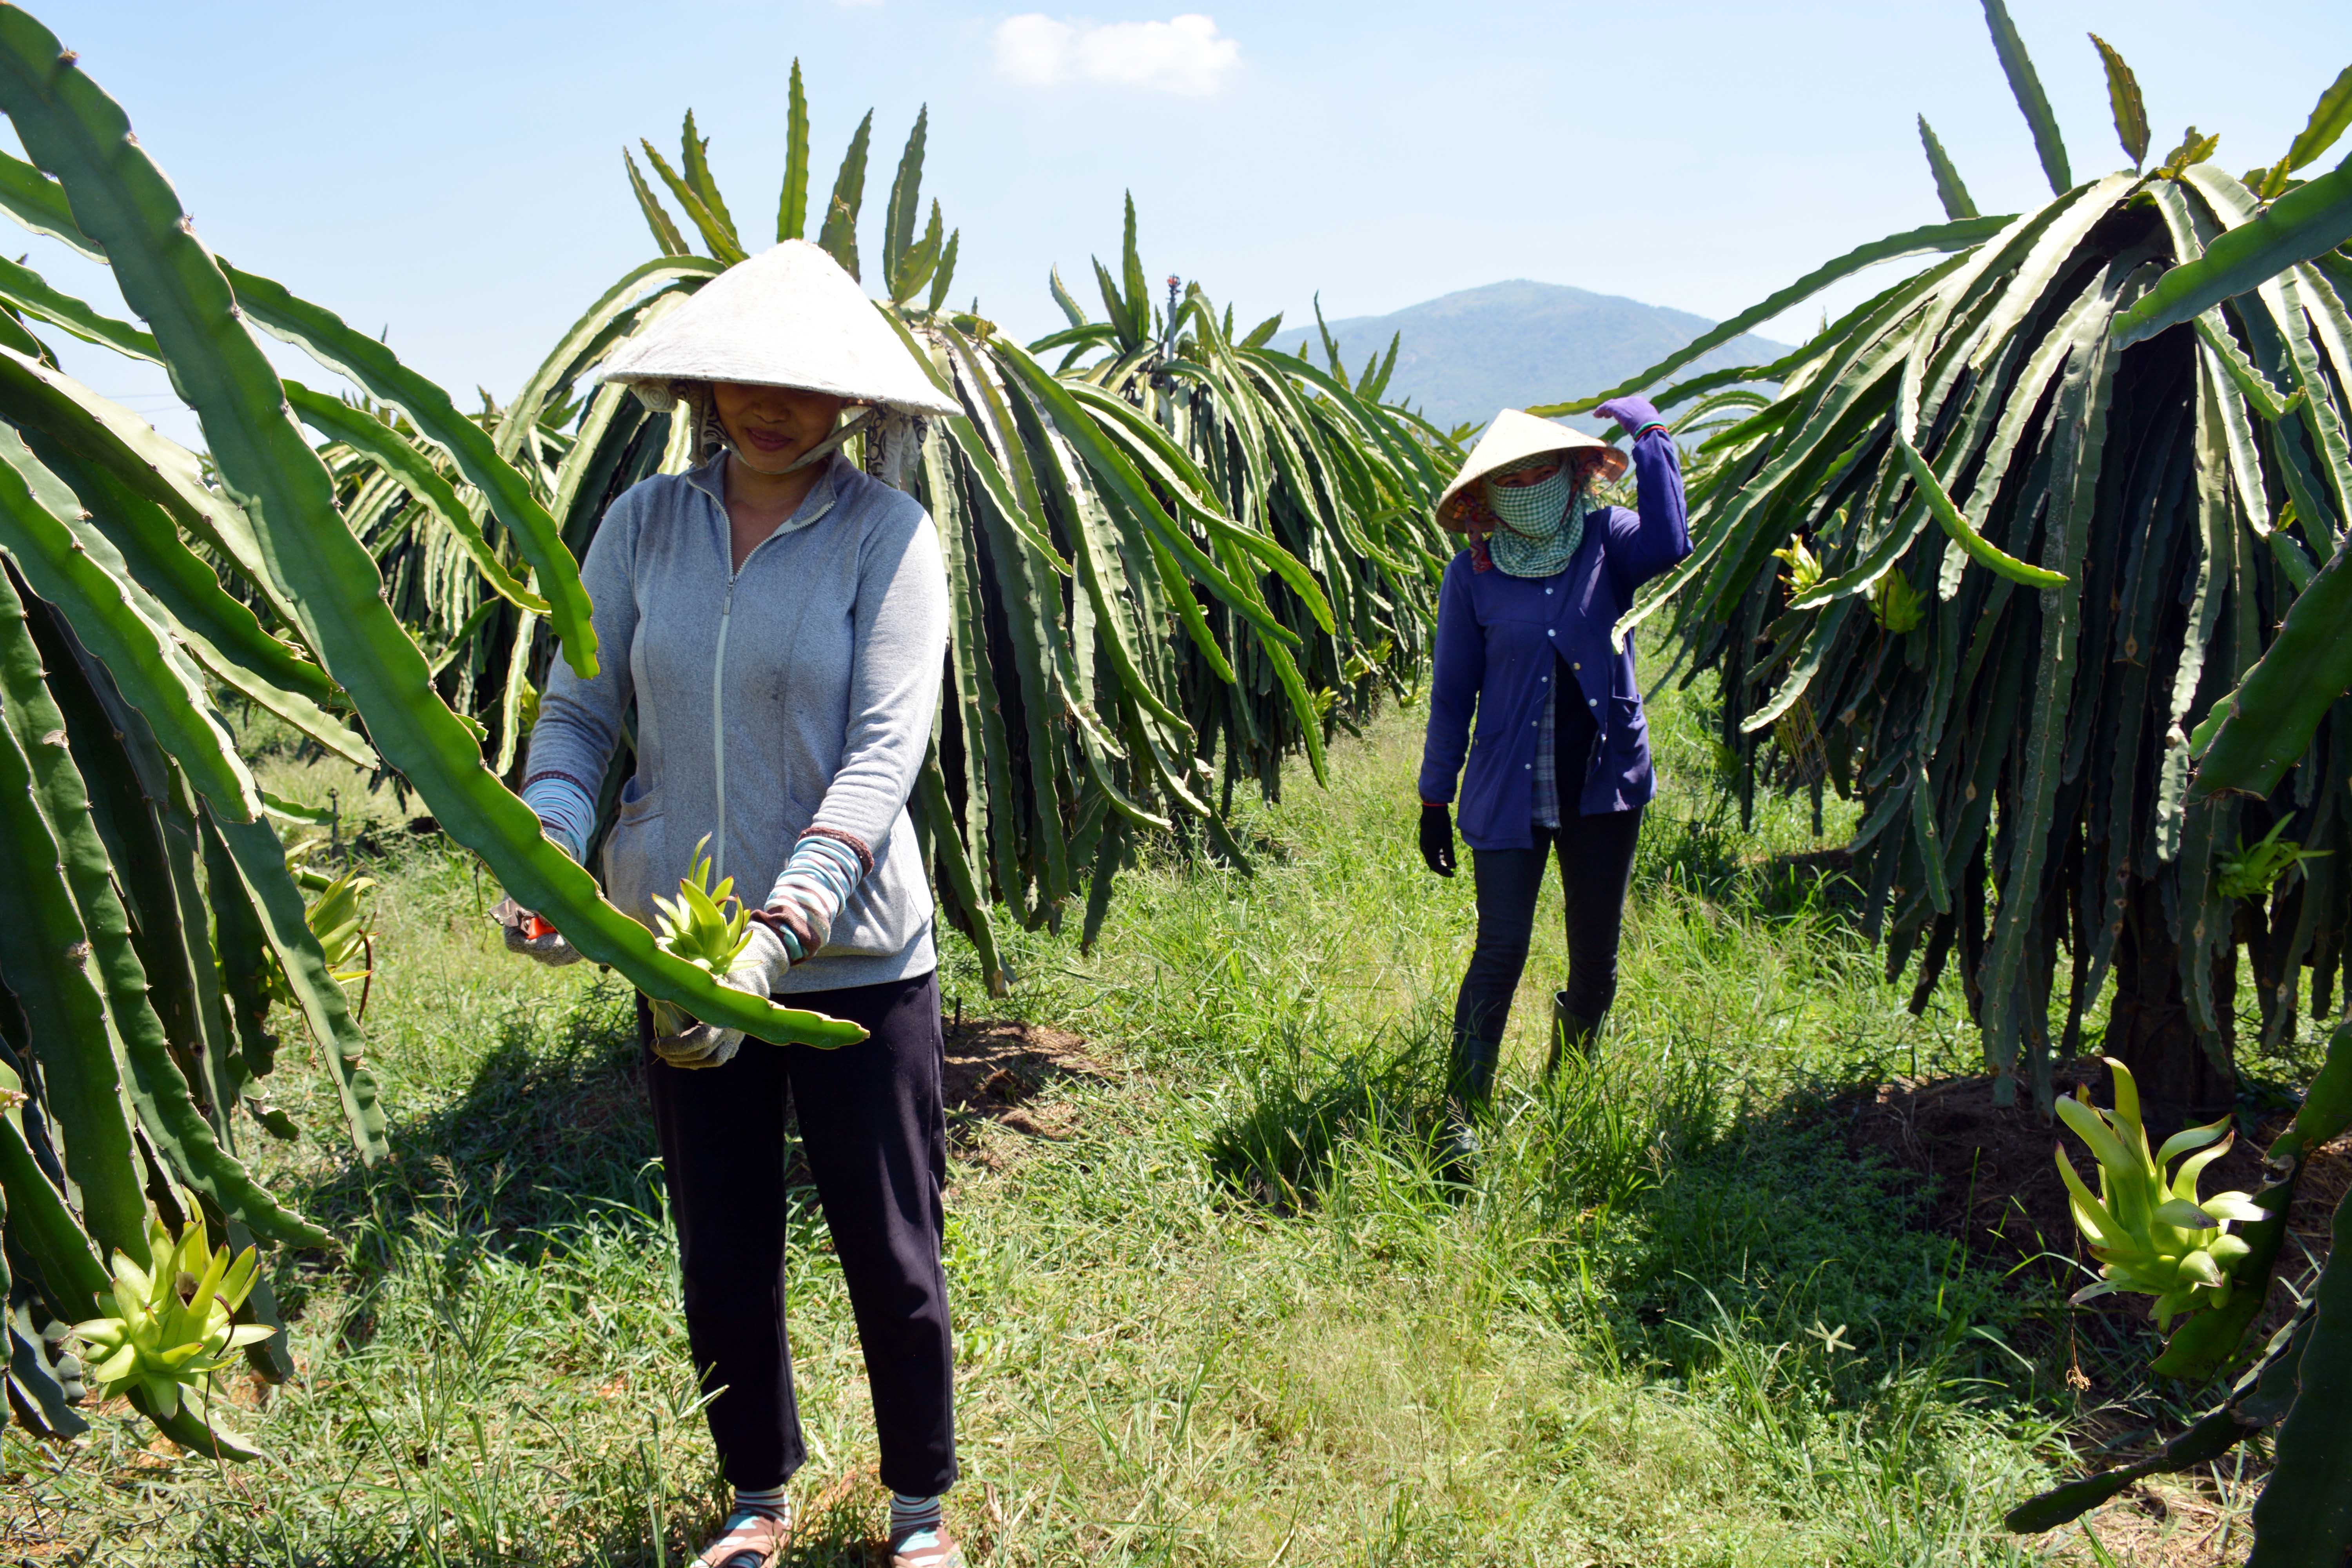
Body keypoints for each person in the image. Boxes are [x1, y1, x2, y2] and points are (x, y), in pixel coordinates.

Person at [493, 240, 969, 1568]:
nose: (774, 408)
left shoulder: (888, 536)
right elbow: (585, 712)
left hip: (858, 962)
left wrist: (779, 935)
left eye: (808, 389)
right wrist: (552, 859)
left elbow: (884, 755)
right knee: (724, 1245)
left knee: (891, 1247)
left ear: (854, 406)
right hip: (681, 951)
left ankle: (918, 1510)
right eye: (747, 380)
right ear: (703, 386)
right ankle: (755, 1498)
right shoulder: (643, 525)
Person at [1416, 397, 1688, 1162]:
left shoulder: (1608, 540)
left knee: (1593, 960)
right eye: (1514, 474)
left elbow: (1673, 542)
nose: (1531, 484)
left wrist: (1652, 436)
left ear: (1573, 473)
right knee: (1500, 947)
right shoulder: (1471, 576)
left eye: (1544, 468)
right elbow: (1452, 693)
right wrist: (1434, 796)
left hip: (1604, 792)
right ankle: (1460, 1117)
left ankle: (1568, 1090)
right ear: (1490, 492)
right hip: (1511, 791)